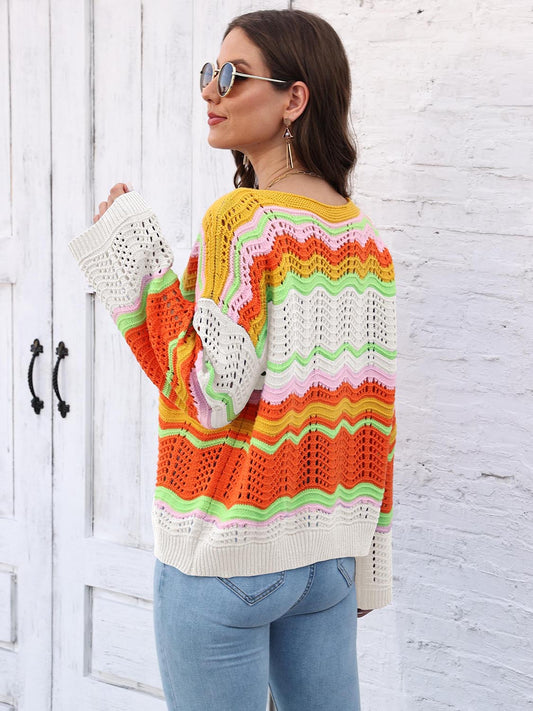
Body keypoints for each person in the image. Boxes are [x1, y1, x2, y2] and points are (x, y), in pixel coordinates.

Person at [69, 9, 397, 711]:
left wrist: (138, 256)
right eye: (209, 73)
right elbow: (375, 419)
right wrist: (369, 563)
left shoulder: (241, 220)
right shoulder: (364, 240)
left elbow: (206, 393)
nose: (210, 91)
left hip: (227, 553)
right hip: (328, 563)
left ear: (294, 99)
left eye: (233, 75)